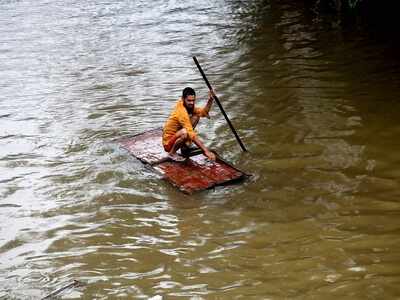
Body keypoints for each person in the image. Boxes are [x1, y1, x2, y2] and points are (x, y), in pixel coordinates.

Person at [163, 87, 216, 162]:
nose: (191, 103)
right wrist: (206, 151)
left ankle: (184, 147)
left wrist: (211, 99)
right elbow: (191, 133)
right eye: (189, 100)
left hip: (177, 135)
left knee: (197, 115)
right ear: (183, 99)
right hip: (168, 144)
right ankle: (172, 153)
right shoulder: (181, 111)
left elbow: (204, 113)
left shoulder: (189, 106)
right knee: (185, 132)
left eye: (193, 100)